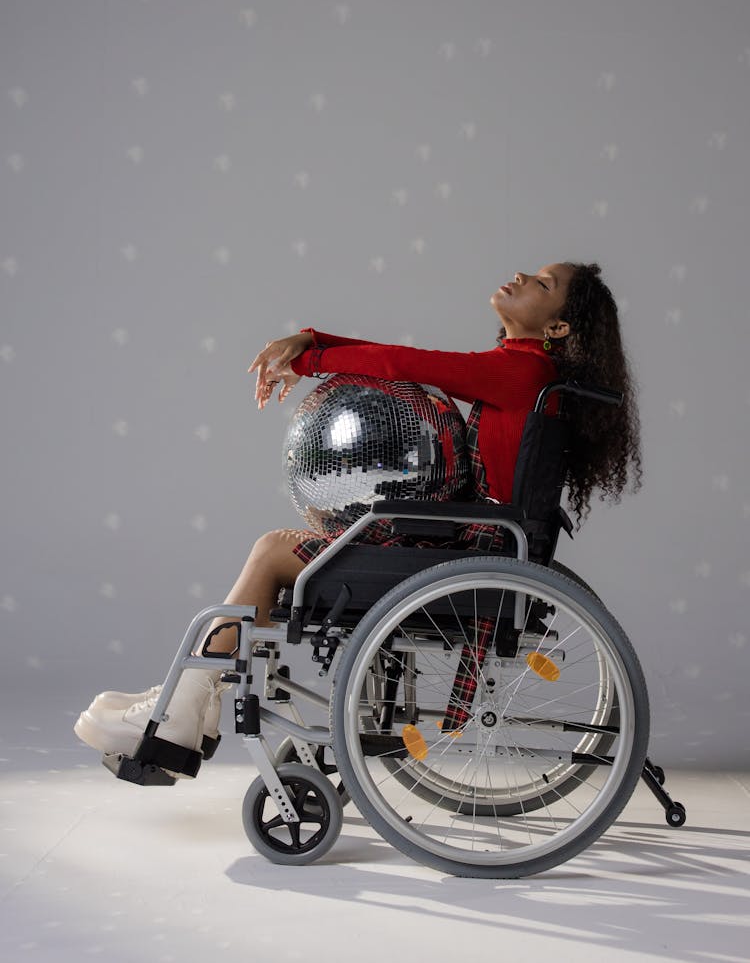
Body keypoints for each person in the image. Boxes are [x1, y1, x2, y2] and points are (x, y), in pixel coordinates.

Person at [73, 261, 642, 770]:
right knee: (287, 546)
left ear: (558, 327)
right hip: (473, 549)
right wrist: (313, 342)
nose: (520, 276)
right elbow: (407, 363)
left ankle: (182, 708)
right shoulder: (529, 373)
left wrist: (314, 354)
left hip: (461, 555)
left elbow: (403, 363)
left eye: (542, 284)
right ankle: (190, 698)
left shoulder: (521, 370)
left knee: (274, 550)